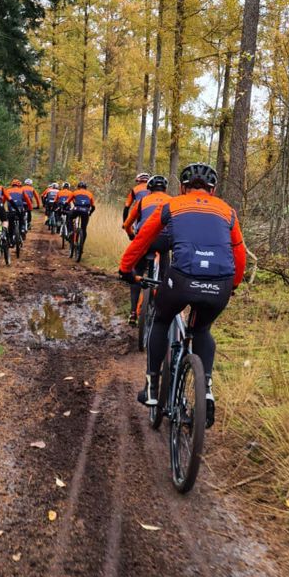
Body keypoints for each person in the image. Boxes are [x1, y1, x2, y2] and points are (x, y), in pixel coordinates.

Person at [118, 162, 246, 426]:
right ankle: (206, 389)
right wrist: (232, 285)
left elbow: (142, 238)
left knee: (161, 318)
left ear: (182, 187)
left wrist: (125, 268)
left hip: (183, 279)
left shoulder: (172, 205)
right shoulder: (228, 211)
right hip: (219, 284)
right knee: (201, 330)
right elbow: (239, 254)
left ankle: (152, 387)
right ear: (213, 188)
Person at [122, 175, 172, 325]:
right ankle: (163, 310)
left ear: (149, 190)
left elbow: (127, 224)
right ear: (165, 189)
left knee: (137, 272)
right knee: (164, 274)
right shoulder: (172, 201)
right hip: (165, 241)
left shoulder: (142, 201)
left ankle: (132, 313)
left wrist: (131, 235)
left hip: (145, 240)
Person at [4, 178, 32, 244]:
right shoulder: (21, 190)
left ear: (12, 184)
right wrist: (30, 208)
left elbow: (3, 200)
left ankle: (10, 239)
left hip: (11, 209)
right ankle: (22, 229)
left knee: (10, 224)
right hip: (20, 209)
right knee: (21, 219)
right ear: (18, 185)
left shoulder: (7, 190)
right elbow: (28, 200)